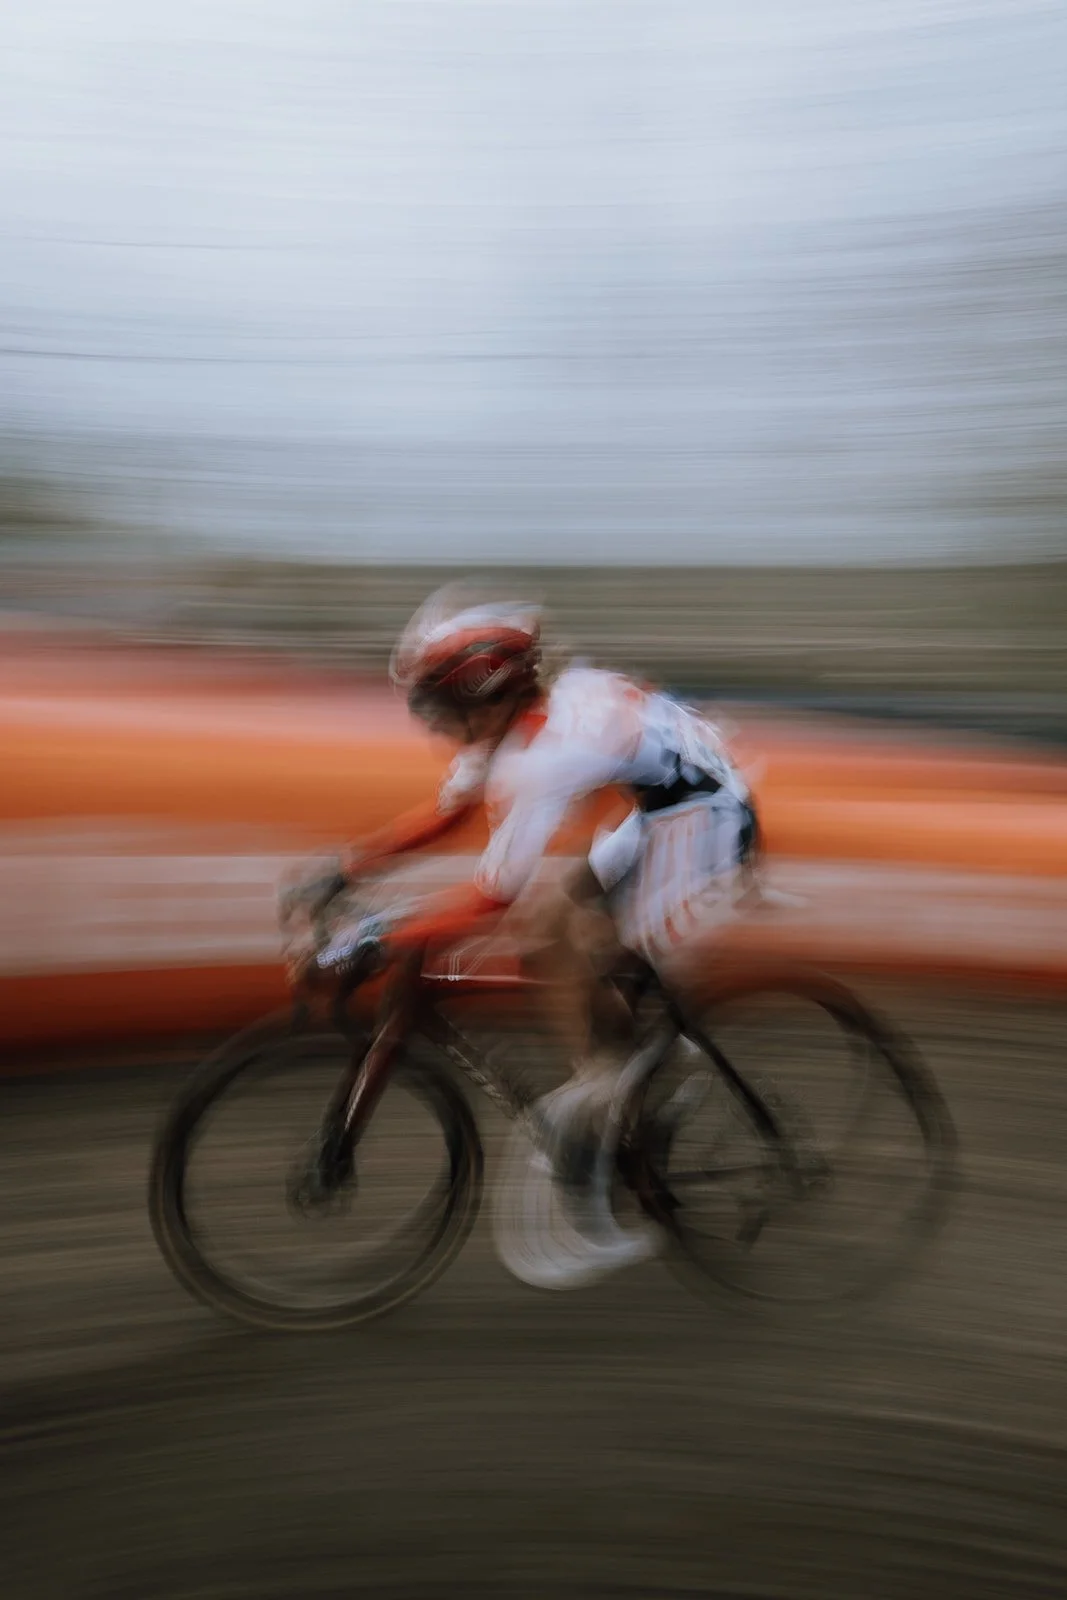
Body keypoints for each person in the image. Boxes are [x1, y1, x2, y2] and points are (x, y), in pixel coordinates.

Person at [284, 584, 760, 1284]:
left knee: (560, 932)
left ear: (486, 693)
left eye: (441, 708)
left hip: (707, 814)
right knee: (564, 926)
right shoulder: (506, 724)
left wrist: (383, 935)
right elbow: (447, 819)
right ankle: (627, 1068)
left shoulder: (542, 754)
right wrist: (345, 867)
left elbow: (491, 895)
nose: (435, 726)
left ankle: (603, 1102)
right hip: (663, 800)